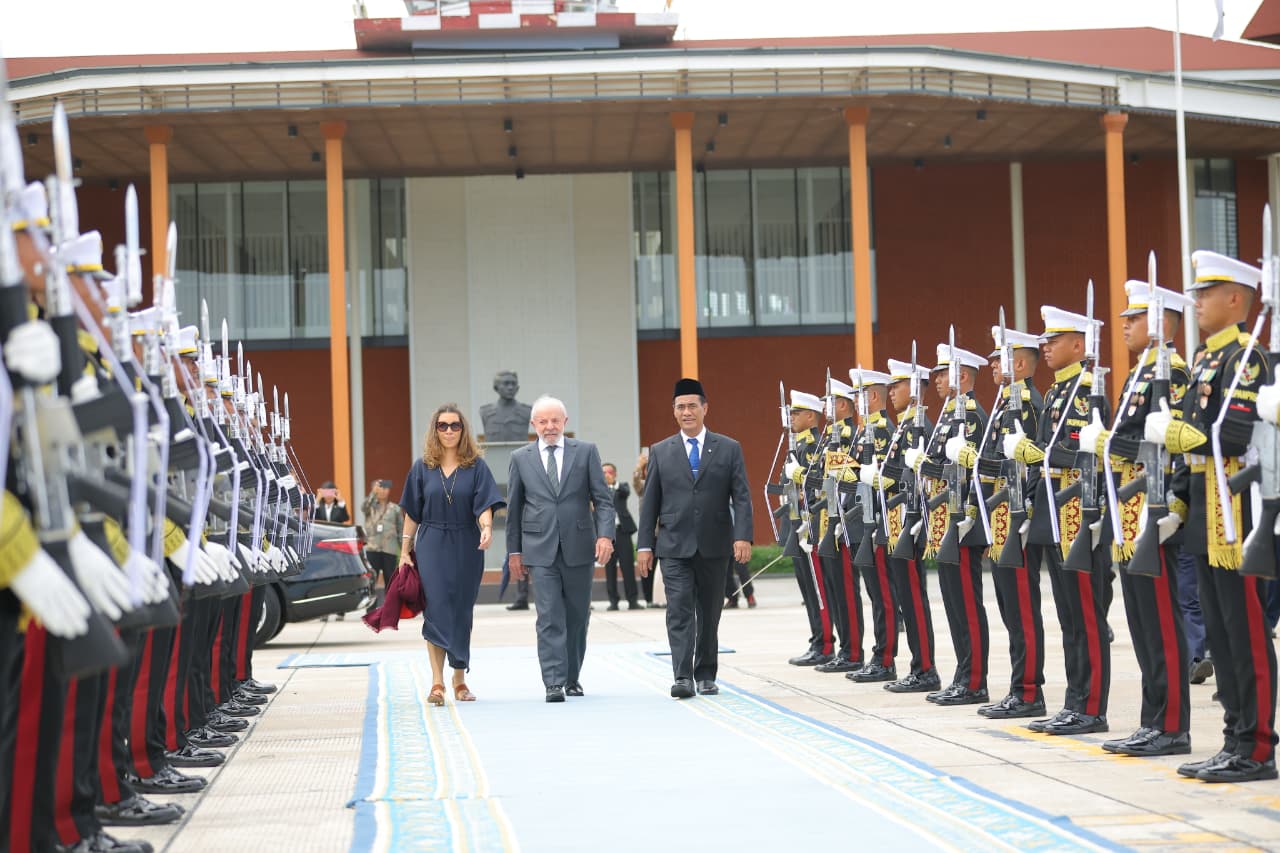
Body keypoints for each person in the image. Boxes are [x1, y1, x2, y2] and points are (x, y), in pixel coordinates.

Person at [1151, 250, 1277, 783]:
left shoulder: (1249, 359)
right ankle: (1232, 736)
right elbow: (1192, 439)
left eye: (1206, 293)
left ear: (1236, 299)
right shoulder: (1204, 359)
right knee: (1221, 635)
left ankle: (1257, 746)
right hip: (1206, 509)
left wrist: (1185, 437)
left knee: (1245, 630)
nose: (1196, 302)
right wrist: (1177, 499)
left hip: (1238, 512)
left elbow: (1238, 434)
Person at [1078, 280, 1194, 757]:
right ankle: (1152, 721)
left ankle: (1172, 726)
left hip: (1154, 512)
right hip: (1129, 515)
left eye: (1135, 317)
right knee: (1143, 626)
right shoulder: (1138, 374)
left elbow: (1168, 445)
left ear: (1162, 324)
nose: (1124, 323)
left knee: (1163, 624)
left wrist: (1108, 444)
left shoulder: (1176, 374)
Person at [1002, 306, 1112, 736]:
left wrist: (1033, 453)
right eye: (1045, 340)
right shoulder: (1055, 395)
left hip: (1077, 516)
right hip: (1053, 514)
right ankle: (1073, 701)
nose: (1044, 346)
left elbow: (1086, 457)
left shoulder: (1086, 391)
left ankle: (1092, 707)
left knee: (1087, 617)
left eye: (1054, 339)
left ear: (1079, 346)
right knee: (1069, 618)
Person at [637, 378, 753, 699]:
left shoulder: (728, 448)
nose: (686, 412)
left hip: (715, 545)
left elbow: (741, 496)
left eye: (692, 406)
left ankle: (705, 673)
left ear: (705, 408)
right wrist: (645, 545)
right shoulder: (661, 451)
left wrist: (743, 536)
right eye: (680, 407)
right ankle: (682, 676)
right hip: (674, 545)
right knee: (679, 609)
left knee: (710, 611)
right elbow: (651, 502)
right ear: (674, 412)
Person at [506, 396, 615, 703]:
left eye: (555, 421)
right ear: (534, 425)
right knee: (549, 616)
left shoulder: (586, 452)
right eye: (543, 421)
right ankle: (553, 682)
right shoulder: (520, 457)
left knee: (578, 616)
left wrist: (605, 536)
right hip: (539, 550)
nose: (550, 427)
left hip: (579, 547)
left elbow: (603, 500)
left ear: (565, 423)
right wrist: (514, 552)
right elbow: (513, 509)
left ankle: (572, 677)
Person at [398, 405, 505, 706]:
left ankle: (459, 678)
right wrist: (404, 551)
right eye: (442, 426)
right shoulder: (422, 467)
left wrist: (486, 528)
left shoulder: (476, 467)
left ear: (463, 430)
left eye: (454, 426)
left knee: (461, 610)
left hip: (466, 542)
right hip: (431, 541)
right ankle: (437, 683)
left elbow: (484, 503)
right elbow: (412, 513)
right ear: (434, 430)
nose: (448, 431)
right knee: (436, 607)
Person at [779, 390, 831, 665]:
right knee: (807, 587)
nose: (792, 417)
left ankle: (825, 643)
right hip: (796, 523)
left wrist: (798, 477)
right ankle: (816, 639)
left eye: (797, 413)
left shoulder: (813, 446)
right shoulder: (797, 446)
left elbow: (819, 484)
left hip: (811, 525)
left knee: (817, 587)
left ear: (811, 416)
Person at [602, 463, 641, 611]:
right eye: (603, 472)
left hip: (622, 532)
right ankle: (613, 601)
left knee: (628, 567)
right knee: (609, 569)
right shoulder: (598, 489)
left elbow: (626, 492)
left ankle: (632, 600)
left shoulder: (621, 486)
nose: (606, 474)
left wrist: (613, 484)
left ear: (615, 473)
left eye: (609, 472)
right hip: (607, 535)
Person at [363, 479, 405, 608]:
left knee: (390, 579)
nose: (383, 491)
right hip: (373, 548)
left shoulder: (395, 509)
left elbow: (401, 530)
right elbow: (363, 507)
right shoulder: (370, 506)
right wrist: (372, 493)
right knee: (372, 579)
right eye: (380, 488)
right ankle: (371, 608)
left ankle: (391, 607)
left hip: (389, 549)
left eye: (385, 488)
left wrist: (404, 550)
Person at [479, 370, 533, 442]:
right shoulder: (485, 411)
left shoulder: (527, 411)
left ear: (517, 388)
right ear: (496, 388)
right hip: (494, 453)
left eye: (513, 384)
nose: (510, 387)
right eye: (506, 384)